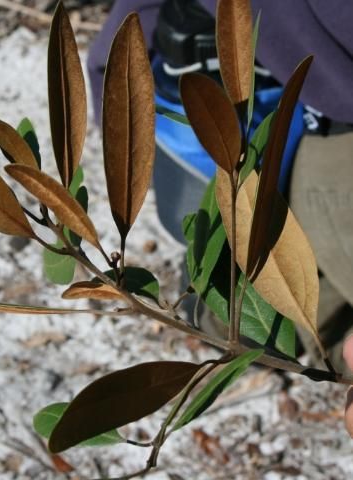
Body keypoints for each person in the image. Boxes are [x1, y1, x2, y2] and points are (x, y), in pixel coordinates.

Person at [87, 0, 353, 431]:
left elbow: (125, 36)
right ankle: (239, 316)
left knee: (265, 256)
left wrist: (114, 96)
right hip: (312, 119)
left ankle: (240, 316)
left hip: (305, 119)